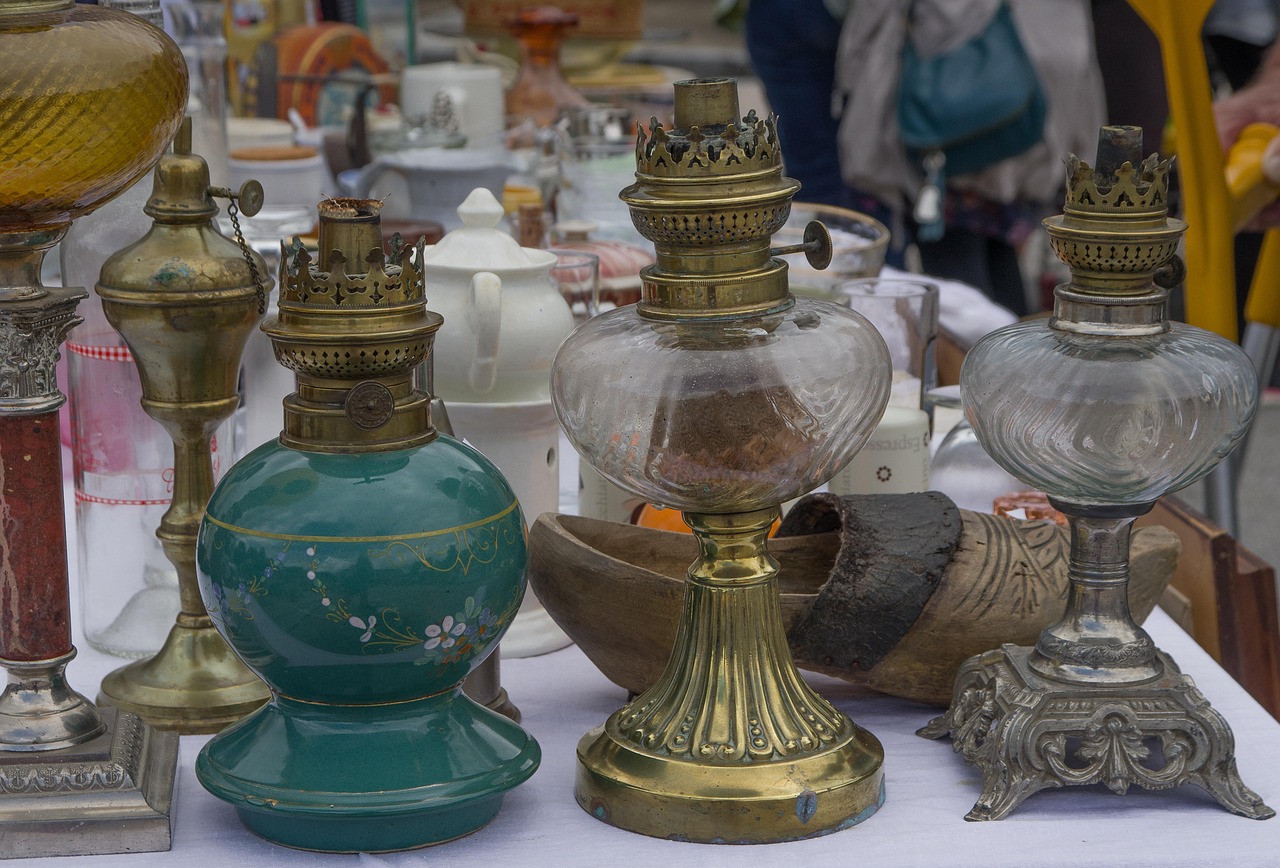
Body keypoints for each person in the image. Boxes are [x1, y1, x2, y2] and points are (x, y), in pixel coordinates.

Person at [834, 0, 1106, 316]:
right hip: (1019, 104)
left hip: (959, 129)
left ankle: (986, 345)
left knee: (967, 295)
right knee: (994, 263)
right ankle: (1006, 341)